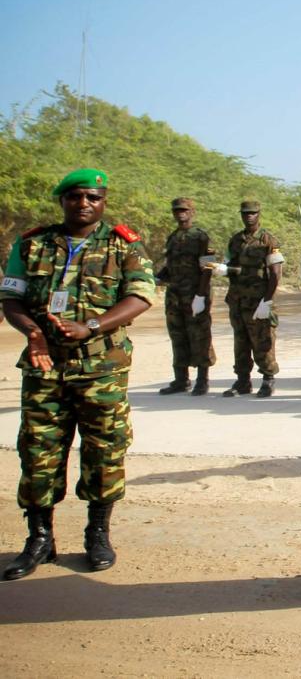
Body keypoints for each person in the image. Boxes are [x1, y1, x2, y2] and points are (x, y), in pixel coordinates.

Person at [1, 168, 155, 579]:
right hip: (45, 366)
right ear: (62, 201)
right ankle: (39, 539)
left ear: (103, 202)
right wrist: (33, 333)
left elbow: (140, 296)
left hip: (102, 368)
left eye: (92, 197)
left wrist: (92, 327)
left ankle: (97, 533)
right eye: (74, 197)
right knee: (38, 451)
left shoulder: (123, 245)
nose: (83, 204)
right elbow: (11, 297)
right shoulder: (32, 244)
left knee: (104, 450)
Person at [211, 199, 283, 398]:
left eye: (252, 213)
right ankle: (243, 380)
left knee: (263, 340)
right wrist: (222, 270)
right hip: (238, 299)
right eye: (245, 213)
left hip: (259, 299)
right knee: (240, 341)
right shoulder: (235, 240)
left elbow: (276, 273)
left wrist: (267, 300)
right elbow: (230, 266)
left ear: (259, 214)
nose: (249, 216)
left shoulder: (268, 240)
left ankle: (268, 378)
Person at [156, 197, 216, 396]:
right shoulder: (173, 237)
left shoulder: (200, 236)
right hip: (175, 294)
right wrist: (158, 277)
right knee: (177, 335)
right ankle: (181, 379)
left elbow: (208, 266)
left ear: (192, 212)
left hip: (195, 293)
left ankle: (202, 379)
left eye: (184, 210)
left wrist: (201, 294)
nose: (180, 213)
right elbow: (171, 264)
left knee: (199, 334)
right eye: (177, 210)